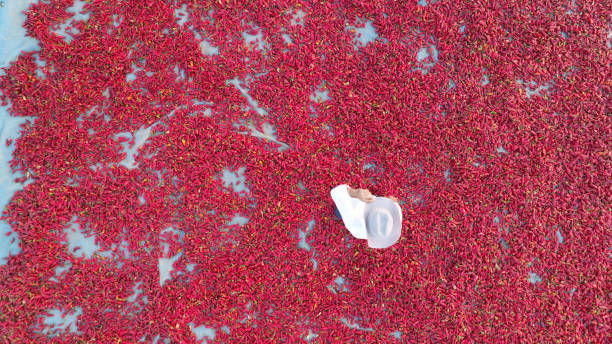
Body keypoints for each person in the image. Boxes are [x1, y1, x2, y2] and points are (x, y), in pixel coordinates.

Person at [330, 184, 402, 249]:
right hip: (359, 201)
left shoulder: (353, 223)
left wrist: (355, 193)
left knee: (339, 212)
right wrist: (391, 202)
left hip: (348, 205)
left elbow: (336, 192)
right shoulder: (391, 221)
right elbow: (395, 208)